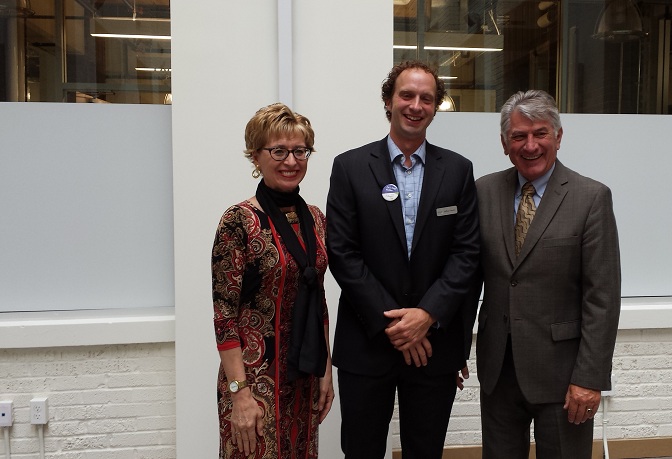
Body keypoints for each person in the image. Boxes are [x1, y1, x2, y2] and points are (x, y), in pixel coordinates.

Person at [326, 61, 480, 459]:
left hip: (433, 347)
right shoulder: (350, 168)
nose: (416, 105)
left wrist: (426, 316)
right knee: (361, 451)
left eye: (426, 98)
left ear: (435, 105)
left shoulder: (459, 171)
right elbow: (343, 254)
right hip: (367, 343)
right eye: (406, 95)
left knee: (424, 452)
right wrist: (397, 326)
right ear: (389, 101)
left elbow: (466, 255)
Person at [475, 90, 621, 459]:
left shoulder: (591, 197)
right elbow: (466, 276)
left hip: (564, 375)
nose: (530, 145)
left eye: (540, 133)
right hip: (498, 372)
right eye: (519, 136)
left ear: (558, 136)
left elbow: (602, 297)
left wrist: (589, 379)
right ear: (504, 143)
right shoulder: (483, 192)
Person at [211, 103, 334, 459]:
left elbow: (319, 301)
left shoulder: (315, 219)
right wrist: (239, 393)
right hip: (252, 382)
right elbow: (224, 315)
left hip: (304, 377)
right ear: (255, 157)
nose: (291, 161)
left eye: (300, 151)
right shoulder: (239, 221)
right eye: (278, 151)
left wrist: (326, 371)